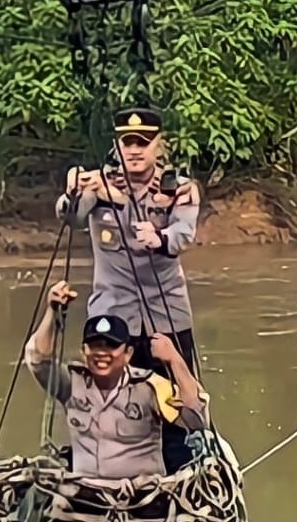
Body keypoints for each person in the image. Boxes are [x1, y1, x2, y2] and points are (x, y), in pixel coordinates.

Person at [55, 104, 203, 469]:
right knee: (105, 399)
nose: (134, 150)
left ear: (158, 145)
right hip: (112, 312)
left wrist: (160, 237)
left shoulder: (177, 189)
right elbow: (72, 216)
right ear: (117, 146)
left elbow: (184, 234)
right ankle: (97, 468)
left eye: (143, 142)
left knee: (176, 404)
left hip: (166, 313)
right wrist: (71, 191)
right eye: (127, 143)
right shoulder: (99, 185)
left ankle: (179, 472)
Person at [23, 280, 207, 481]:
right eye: (95, 346)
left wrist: (174, 359)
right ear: (84, 352)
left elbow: (196, 419)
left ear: (128, 353)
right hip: (84, 494)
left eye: (111, 346)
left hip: (143, 496)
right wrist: (52, 312)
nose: (102, 353)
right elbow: (38, 361)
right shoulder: (72, 384)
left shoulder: (150, 387)